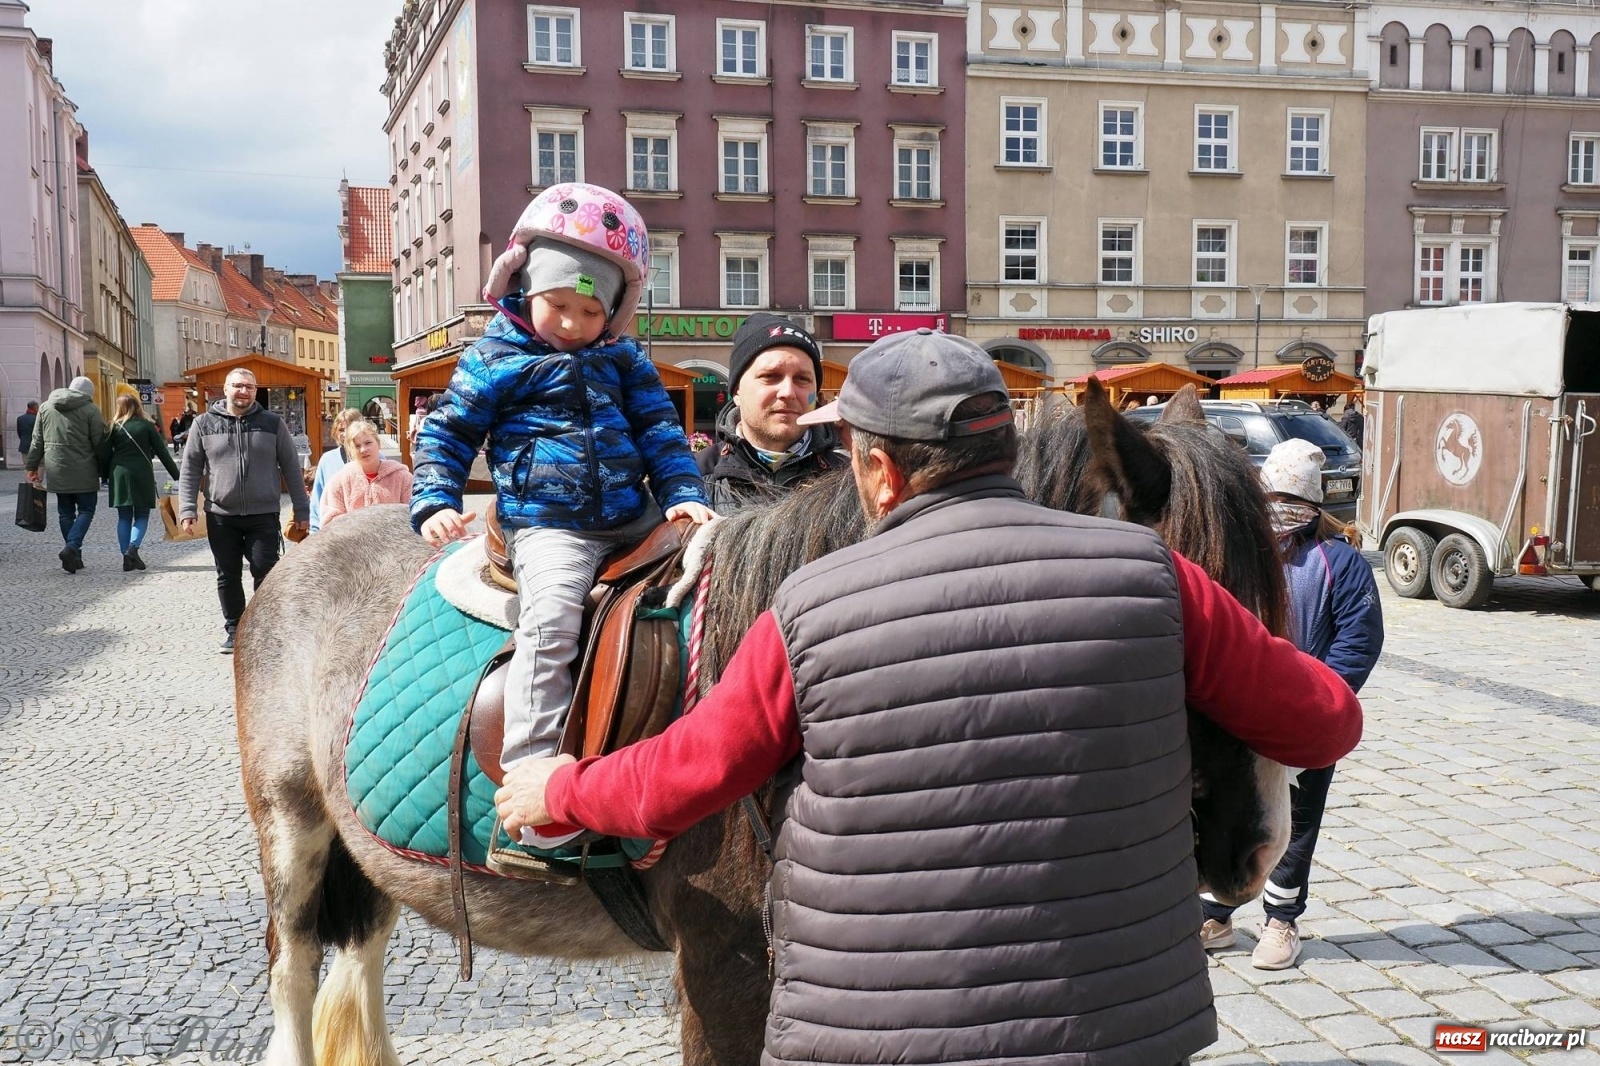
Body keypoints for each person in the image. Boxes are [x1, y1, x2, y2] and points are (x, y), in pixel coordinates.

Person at [494, 329, 1364, 1066]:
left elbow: (688, 773)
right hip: (1118, 1032)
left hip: (879, 1036)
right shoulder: (1158, 577)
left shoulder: (811, 608)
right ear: (1007, 451)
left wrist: (558, 791)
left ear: (876, 470)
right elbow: (1329, 719)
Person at [411, 181, 713, 849]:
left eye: (589, 310)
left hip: (632, 516)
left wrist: (684, 492)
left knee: (717, 582)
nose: (573, 324)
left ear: (615, 311)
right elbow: (446, 433)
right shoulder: (495, 357)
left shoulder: (623, 359)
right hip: (550, 525)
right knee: (552, 621)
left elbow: (661, 430)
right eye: (558, 305)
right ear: (522, 288)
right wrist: (435, 496)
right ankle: (529, 782)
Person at [1200, 438, 1382, 970]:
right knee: (1227, 809)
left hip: (1303, 715)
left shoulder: (1341, 563)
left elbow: (1357, 641)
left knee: (1298, 820)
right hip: (1237, 713)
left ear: (1313, 506)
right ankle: (1217, 912)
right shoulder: (1236, 554)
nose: (1279, 511)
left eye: (1290, 499)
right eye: (1271, 498)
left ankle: (1281, 921)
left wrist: (1315, 702)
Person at [177, 368, 310, 654]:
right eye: (238, 386)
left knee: (266, 571)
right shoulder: (203, 424)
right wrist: (188, 509)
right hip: (220, 515)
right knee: (228, 574)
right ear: (225, 389)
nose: (244, 391)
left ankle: (265, 628)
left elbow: (291, 469)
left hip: (263, 514)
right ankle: (235, 630)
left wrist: (302, 510)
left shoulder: (272, 424)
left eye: (249, 387)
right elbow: (189, 470)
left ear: (255, 390)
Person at [696, 313, 848, 510]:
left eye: (802, 379)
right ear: (737, 391)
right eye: (770, 376)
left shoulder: (850, 479)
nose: (788, 392)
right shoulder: (692, 480)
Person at [25, 377, 107, 574]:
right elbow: (99, 442)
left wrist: (32, 466)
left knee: (65, 513)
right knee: (87, 510)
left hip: (57, 468)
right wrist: (105, 468)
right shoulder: (91, 410)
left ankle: (74, 556)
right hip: (84, 469)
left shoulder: (45, 407)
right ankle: (71, 547)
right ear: (88, 393)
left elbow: (37, 440)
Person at [99, 393, 180, 572]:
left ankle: (125, 556)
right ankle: (132, 548)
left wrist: (105, 476)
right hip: (142, 472)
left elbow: (104, 455)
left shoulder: (111, 427)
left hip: (119, 473)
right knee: (142, 515)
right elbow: (162, 452)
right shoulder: (147, 426)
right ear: (138, 406)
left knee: (124, 517)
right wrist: (177, 475)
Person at [319, 420, 413, 526]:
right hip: (353, 542)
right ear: (350, 450)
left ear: (378, 444)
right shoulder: (339, 481)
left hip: (395, 541)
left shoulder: (403, 478)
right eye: (357, 446)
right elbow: (329, 522)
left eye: (368, 443)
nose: (363, 449)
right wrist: (360, 524)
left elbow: (414, 515)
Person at [309, 407, 361, 533]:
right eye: (341, 430)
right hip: (334, 531)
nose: (345, 434)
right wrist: (315, 530)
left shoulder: (375, 457)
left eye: (350, 428)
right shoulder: (327, 460)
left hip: (365, 530)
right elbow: (318, 497)